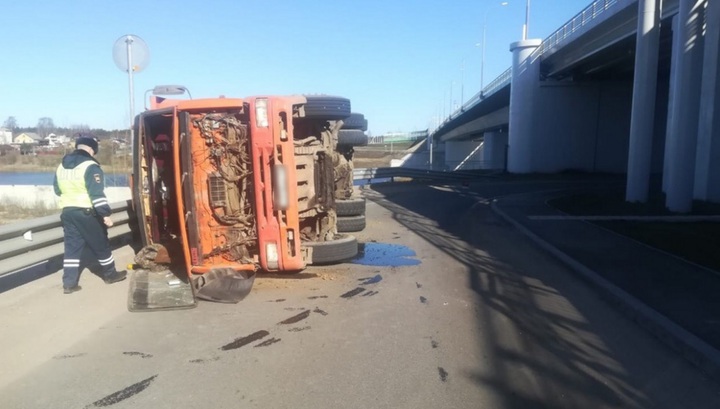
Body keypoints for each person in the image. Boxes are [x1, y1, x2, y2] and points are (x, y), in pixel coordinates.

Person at [53, 135, 127, 294]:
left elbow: (57, 190)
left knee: (72, 248)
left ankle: (69, 283)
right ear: (91, 149)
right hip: (87, 212)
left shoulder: (61, 166)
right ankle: (110, 275)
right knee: (101, 244)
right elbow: (96, 194)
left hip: (67, 212)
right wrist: (105, 215)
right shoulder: (90, 166)